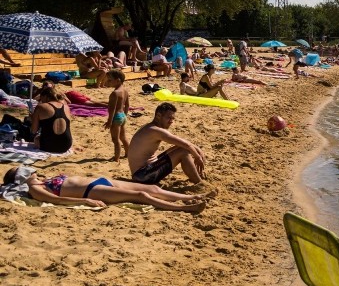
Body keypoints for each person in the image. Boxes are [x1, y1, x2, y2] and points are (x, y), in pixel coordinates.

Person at [4, 167, 208, 213]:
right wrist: (85, 202)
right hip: (91, 192)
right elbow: (57, 201)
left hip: (102, 181)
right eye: (20, 170)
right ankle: (183, 209)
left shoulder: (43, 179)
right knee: (141, 196)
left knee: (153, 187)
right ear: (19, 178)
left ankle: (191, 196)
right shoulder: (35, 189)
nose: (30, 170)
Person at [128, 102, 206, 184]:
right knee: (183, 152)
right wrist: (198, 157)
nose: (171, 121)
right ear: (158, 116)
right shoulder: (156, 130)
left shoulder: (150, 127)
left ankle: (195, 175)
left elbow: (182, 143)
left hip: (144, 172)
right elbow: (186, 145)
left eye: (173, 119)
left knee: (180, 147)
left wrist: (199, 151)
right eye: (169, 118)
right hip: (142, 176)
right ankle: (199, 183)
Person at [31, 85, 73, 153]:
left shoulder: (40, 107)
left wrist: (33, 118)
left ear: (45, 97)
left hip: (48, 146)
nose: (41, 101)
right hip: (66, 145)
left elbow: (33, 131)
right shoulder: (66, 107)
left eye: (41, 99)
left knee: (36, 139)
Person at [104, 70, 130, 163]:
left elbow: (112, 110)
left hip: (116, 117)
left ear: (118, 80)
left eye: (110, 80)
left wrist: (109, 122)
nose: (108, 82)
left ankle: (116, 158)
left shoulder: (115, 93)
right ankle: (128, 153)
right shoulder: (125, 91)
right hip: (122, 115)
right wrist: (125, 116)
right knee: (123, 137)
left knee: (115, 139)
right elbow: (127, 105)